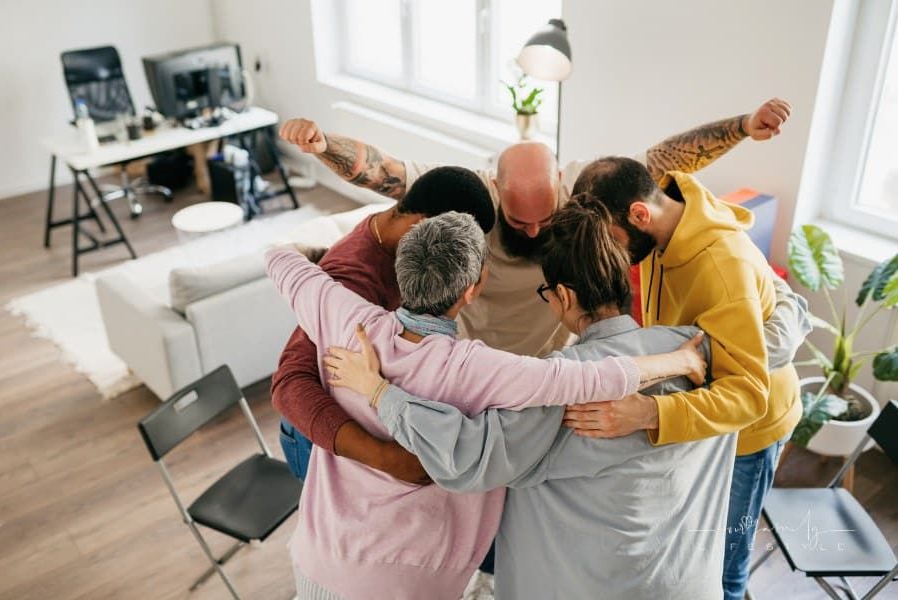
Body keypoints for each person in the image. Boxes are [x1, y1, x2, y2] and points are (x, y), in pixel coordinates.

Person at [274, 99, 796, 488]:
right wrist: (324, 146)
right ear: (495, 193)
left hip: (545, 379)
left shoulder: (581, 193)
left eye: (545, 219)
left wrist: (744, 127)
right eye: (519, 221)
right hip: (471, 378)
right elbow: (390, 174)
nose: (532, 232)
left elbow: (658, 163)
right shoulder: (470, 200)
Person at [320, 199, 811, 600]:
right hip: (687, 587)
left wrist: (379, 392)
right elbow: (788, 321)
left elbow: (462, 458)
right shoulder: (708, 351)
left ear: (563, 298)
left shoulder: (555, 390)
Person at [265, 212, 707, 600]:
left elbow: (278, 256)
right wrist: (679, 359)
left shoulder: (343, 317)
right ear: (473, 288)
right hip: (405, 582)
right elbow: (588, 378)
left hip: (317, 557)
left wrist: (326, 263)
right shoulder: (475, 369)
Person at [566, 157, 801, 600]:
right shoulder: (671, 219)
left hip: (750, 433)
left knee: (725, 569)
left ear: (639, 214)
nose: (611, 251)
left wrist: (651, 412)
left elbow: (749, 395)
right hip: (705, 414)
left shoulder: (718, 267)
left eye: (611, 239)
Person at [273, 166, 495, 482]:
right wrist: (384, 457)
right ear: (422, 225)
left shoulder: (393, 238)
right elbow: (290, 381)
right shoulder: (352, 281)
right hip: (317, 438)